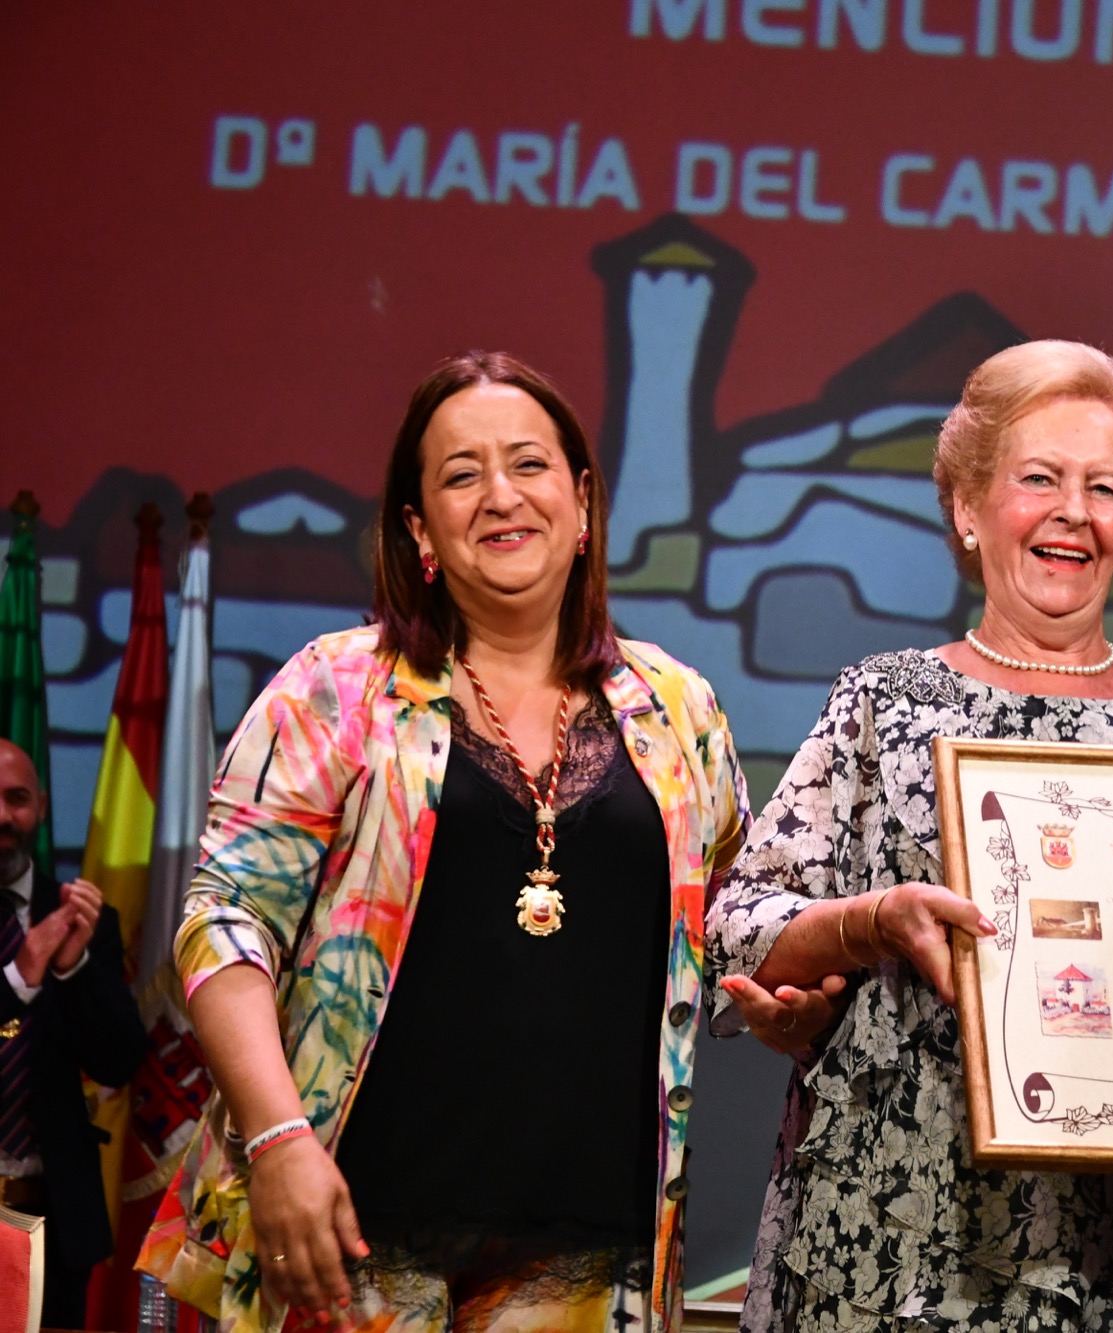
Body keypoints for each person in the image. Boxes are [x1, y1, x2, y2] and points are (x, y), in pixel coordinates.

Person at [708, 340, 1113, 1333]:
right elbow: (736, 928)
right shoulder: (882, 703)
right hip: (900, 1228)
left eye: (1104, 488)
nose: (1072, 511)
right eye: (1038, 478)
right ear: (967, 508)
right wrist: (872, 920)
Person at [138, 352, 748, 1333]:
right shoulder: (334, 689)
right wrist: (279, 1138)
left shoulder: (678, 707)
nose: (501, 494)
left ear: (583, 504)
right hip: (355, 1251)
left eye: (529, 464)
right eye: (462, 474)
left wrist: (830, 948)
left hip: (595, 1264)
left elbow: (735, 918)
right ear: (420, 529)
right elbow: (224, 922)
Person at [0, 738, 146, 1326]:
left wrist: (74, 968)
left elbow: (119, 1060)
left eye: (17, 799)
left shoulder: (83, 920)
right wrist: (18, 978)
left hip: (53, 1220)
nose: (3, 816)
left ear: (41, 805)